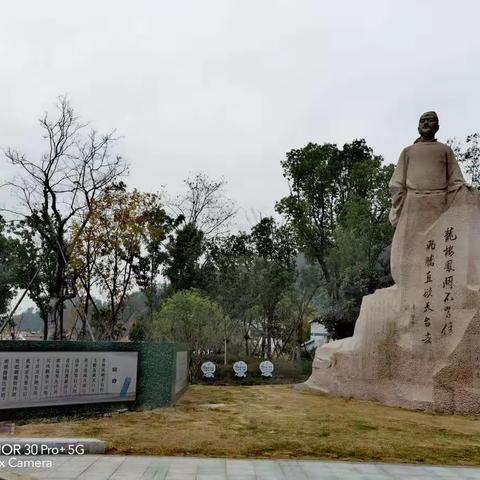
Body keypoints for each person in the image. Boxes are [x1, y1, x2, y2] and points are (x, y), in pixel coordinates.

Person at [388, 111, 465, 228]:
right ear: (418, 127)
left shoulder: (445, 150)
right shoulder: (408, 151)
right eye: (422, 121)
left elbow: (456, 181)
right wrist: (401, 203)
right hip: (412, 206)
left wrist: (469, 193)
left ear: (437, 127)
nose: (426, 123)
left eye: (430, 120)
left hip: (439, 204)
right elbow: (396, 183)